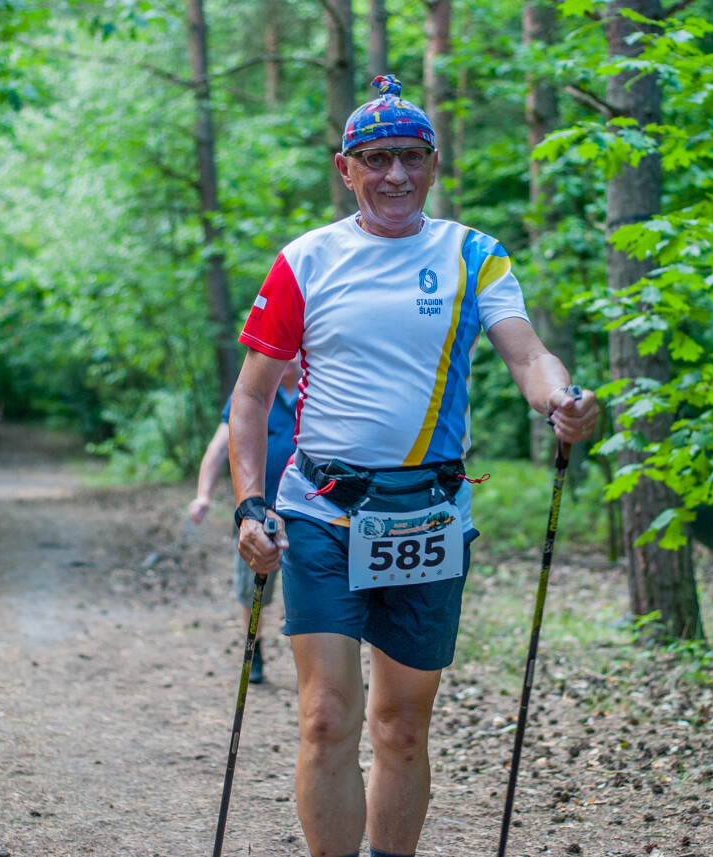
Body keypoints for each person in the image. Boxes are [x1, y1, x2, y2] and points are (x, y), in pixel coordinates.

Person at [228, 74, 598, 857]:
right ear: (346, 169)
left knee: (400, 725)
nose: (395, 174)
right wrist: (250, 503)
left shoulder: (473, 254)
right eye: (377, 159)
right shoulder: (306, 260)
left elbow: (527, 353)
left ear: (433, 164)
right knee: (326, 716)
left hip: (427, 517)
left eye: (412, 158)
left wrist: (561, 399)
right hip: (321, 511)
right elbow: (251, 399)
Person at [187, 358, 300, 684]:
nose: (288, 358)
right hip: (258, 513)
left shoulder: (320, 387)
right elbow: (218, 448)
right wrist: (203, 494)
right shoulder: (253, 390)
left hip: (308, 512)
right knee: (252, 590)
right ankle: (255, 648)